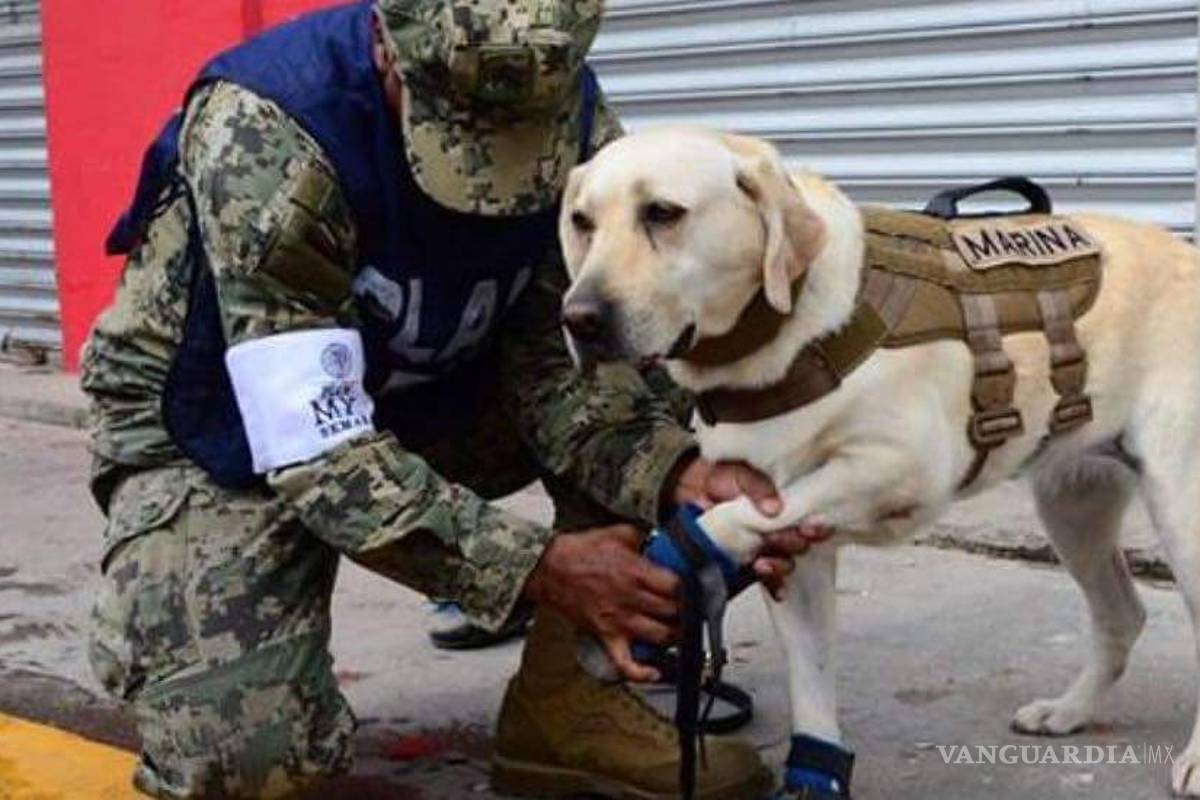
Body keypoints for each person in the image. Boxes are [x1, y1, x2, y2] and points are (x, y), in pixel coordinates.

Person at [81, 1, 818, 797]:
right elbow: (314, 445)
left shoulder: (566, 104)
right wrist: (533, 567)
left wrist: (677, 475)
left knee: (645, 352)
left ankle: (566, 705)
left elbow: (561, 360)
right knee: (245, 760)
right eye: (466, 133)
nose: (495, 174)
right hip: (214, 433)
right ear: (391, 54)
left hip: (426, 393)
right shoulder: (268, 135)